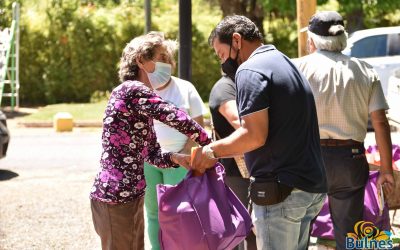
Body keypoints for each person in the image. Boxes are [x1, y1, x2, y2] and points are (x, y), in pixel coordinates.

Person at [191, 15, 327, 250]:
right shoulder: (284, 62)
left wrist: (210, 151)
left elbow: (253, 135)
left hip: (281, 192)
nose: (222, 63)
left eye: (221, 54)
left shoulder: (249, 70)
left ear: (236, 40)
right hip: (309, 186)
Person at [89, 31, 211, 250]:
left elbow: (151, 153)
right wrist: (208, 141)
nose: (166, 64)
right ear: (141, 61)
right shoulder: (132, 90)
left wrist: (176, 158)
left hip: (130, 197)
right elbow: (172, 115)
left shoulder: (137, 100)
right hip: (116, 198)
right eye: (160, 57)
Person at [295, 11, 394, 249]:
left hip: (308, 158)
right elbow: (380, 122)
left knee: (298, 231)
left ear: (312, 40)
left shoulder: (297, 69)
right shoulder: (364, 70)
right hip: (350, 159)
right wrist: (387, 169)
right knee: (350, 234)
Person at [143, 41, 207, 249]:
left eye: (166, 59)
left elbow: (199, 126)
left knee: (179, 213)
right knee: (153, 213)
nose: (163, 63)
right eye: (158, 59)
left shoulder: (185, 88)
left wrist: (183, 153)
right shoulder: (141, 90)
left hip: (180, 161)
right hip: (148, 161)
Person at [209, 73, 257, 250]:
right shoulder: (225, 88)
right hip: (234, 173)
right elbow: (240, 122)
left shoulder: (246, 84)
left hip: (253, 170)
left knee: (252, 229)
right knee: (238, 229)